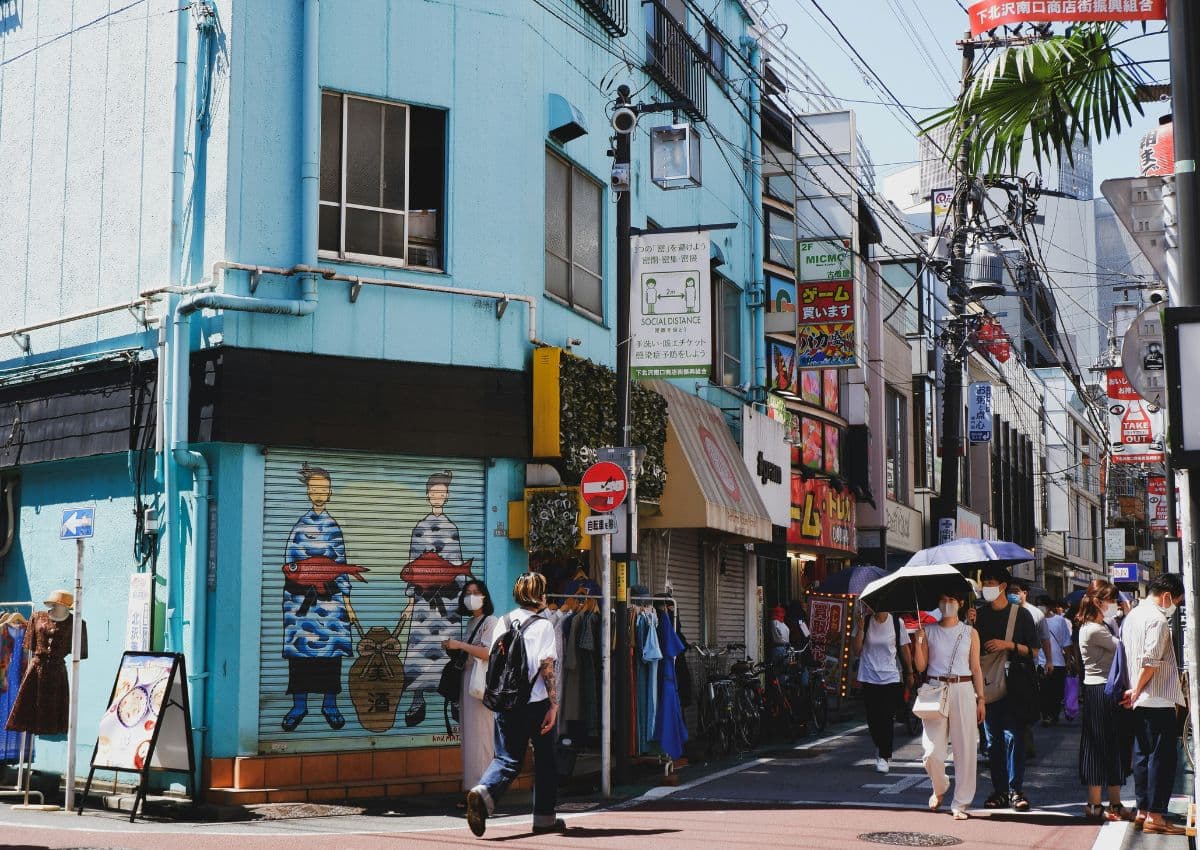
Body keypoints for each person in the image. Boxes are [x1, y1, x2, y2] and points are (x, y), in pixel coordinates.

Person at [466, 572, 563, 838]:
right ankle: (544, 818)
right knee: (545, 761)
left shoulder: (504, 621)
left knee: (507, 759)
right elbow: (547, 667)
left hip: (506, 701)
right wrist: (553, 705)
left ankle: (483, 790)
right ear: (539, 594)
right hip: (536, 703)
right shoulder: (543, 625)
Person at [1121, 572, 1187, 835]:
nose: (1175, 608)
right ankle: (1156, 815)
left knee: (1142, 755)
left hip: (1139, 699)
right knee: (1162, 758)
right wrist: (1137, 690)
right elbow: (1150, 661)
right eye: (1177, 602)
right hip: (1156, 696)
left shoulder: (1133, 616)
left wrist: (1133, 692)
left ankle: (1143, 811)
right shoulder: (1158, 620)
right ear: (1167, 596)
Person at [911, 589, 985, 820]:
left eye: (952, 600)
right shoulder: (928, 630)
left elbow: (975, 668)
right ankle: (940, 785)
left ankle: (961, 803)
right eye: (943, 600)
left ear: (961, 603)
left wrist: (981, 698)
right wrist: (919, 641)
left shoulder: (969, 632)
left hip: (963, 689)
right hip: (934, 689)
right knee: (931, 752)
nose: (947, 604)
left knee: (965, 749)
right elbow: (921, 667)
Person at [975, 566, 1040, 811]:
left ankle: (1015, 790)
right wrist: (969, 624)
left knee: (1014, 737)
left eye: (990, 582)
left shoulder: (1021, 615)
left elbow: (1034, 651)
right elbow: (972, 653)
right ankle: (1000, 790)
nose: (986, 587)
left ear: (1002, 586)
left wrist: (1008, 645)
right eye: (984, 583)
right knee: (993, 742)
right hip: (988, 685)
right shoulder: (978, 616)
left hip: (1015, 685)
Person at [1075, 580, 1133, 822]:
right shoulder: (1094, 630)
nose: (1114, 605)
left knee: (1110, 745)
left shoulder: (1098, 625)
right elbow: (1124, 648)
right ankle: (1099, 805)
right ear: (1098, 602)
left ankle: (1108, 804)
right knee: (1103, 747)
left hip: (1101, 691)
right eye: (1110, 600)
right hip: (1102, 691)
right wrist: (1128, 615)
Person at [441, 579, 497, 795]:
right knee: (470, 736)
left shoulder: (490, 621)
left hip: (480, 685)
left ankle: (482, 789)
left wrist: (460, 645)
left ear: (484, 596)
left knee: (481, 737)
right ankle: (471, 787)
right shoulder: (472, 623)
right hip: (468, 682)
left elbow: (486, 653)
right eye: (468, 592)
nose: (471, 596)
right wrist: (454, 649)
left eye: (476, 592)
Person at [852, 602, 914, 773]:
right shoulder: (864, 621)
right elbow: (856, 651)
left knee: (887, 717)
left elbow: (904, 649)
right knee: (873, 719)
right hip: (868, 676)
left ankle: (884, 756)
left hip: (890, 677)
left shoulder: (896, 622)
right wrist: (861, 629)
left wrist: (909, 672)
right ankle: (880, 746)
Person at [1041, 597, 1073, 725]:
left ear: (1050, 607)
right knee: (1044, 690)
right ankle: (1046, 715)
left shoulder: (1060, 621)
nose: (1041, 607)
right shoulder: (1035, 620)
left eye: (1043, 605)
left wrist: (1069, 659)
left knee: (1056, 691)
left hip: (1059, 662)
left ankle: (1053, 714)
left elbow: (1066, 641)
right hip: (1040, 662)